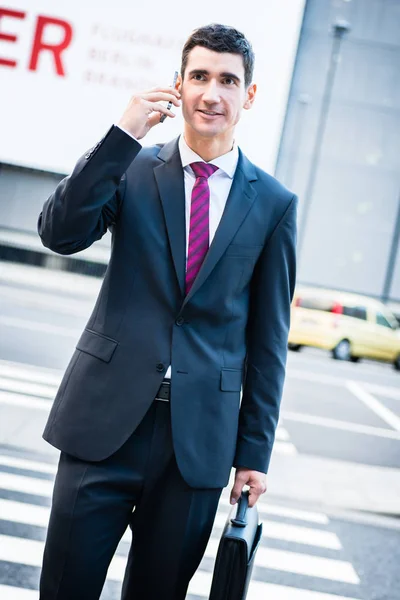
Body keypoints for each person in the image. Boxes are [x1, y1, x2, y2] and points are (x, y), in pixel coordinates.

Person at [37, 22, 297, 600]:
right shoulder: (129, 167)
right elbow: (59, 233)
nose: (212, 93)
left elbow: (268, 340)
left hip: (197, 446)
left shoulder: (275, 205)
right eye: (199, 76)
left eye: (228, 80)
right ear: (178, 86)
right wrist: (120, 135)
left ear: (248, 95)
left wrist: (254, 454)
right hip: (103, 426)